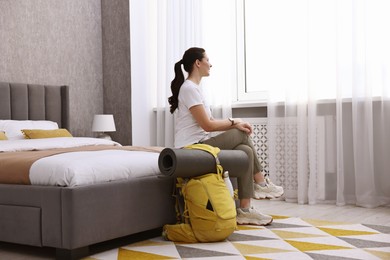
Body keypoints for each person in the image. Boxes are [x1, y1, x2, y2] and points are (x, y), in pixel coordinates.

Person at [168, 47, 284, 226]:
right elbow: (208, 125)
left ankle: (245, 210)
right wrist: (234, 122)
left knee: (245, 150)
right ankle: (260, 182)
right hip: (191, 148)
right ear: (198, 63)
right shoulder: (189, 88)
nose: (211, 64)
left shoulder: (195, 89)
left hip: (202, 143)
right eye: (208, 60)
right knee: (240, 133)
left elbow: (211, 121)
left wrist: (234, 123)